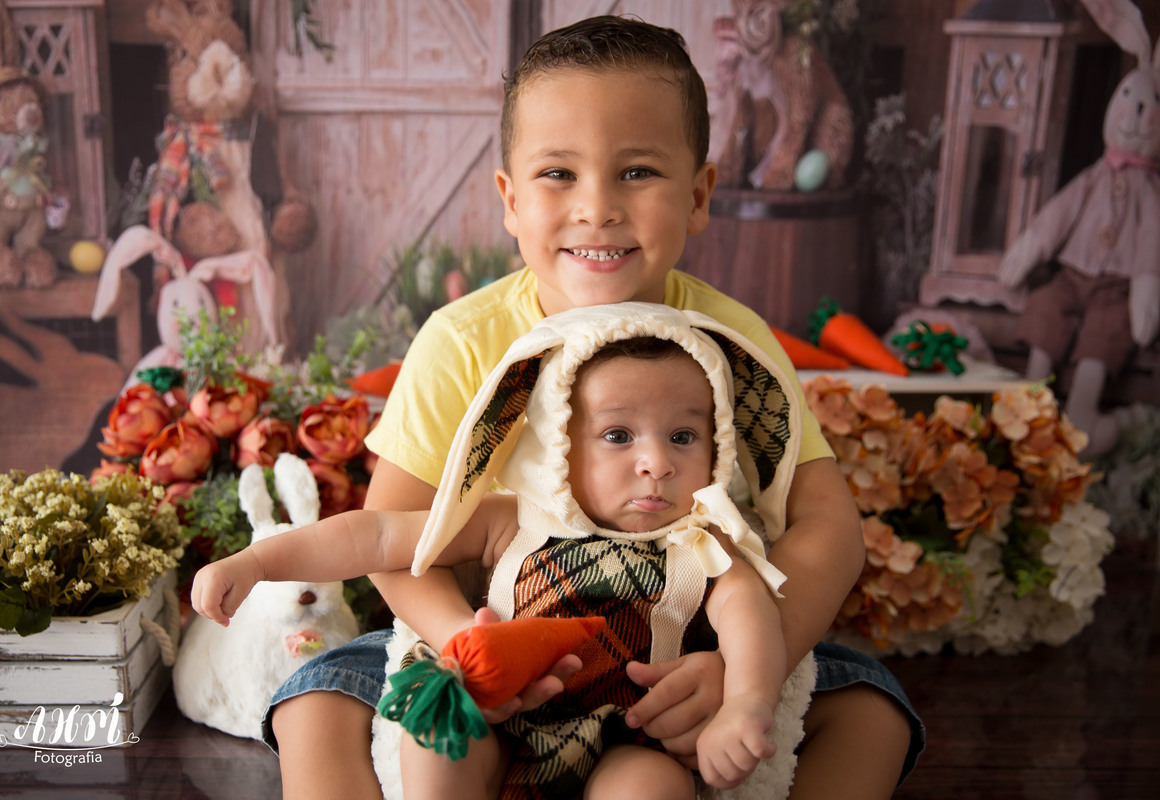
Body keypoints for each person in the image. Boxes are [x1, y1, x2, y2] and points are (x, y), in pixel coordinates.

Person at [264, 14, 924, 800]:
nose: (597, 207)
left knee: (873, 708)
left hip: (679, 643)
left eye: (637, 171)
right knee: (317, 696)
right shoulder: (464, 341)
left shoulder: (731, 341)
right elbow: (394, 537)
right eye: (558, 174)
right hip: (493, 630)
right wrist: (468, 644)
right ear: (510, 200)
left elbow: (829, 528)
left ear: (699, 195)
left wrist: (745, 667)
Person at [194, 320, 797, 799]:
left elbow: (752, 620)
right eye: (619, 436)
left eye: (683, 437)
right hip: (501, 718)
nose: (657, 464)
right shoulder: (516, 519)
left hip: (629, 736)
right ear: (557, 444)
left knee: (652, 788)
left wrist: (746, 705)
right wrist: (257, 562)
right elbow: (376, 536)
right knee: (437, 732)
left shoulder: (703, 544)